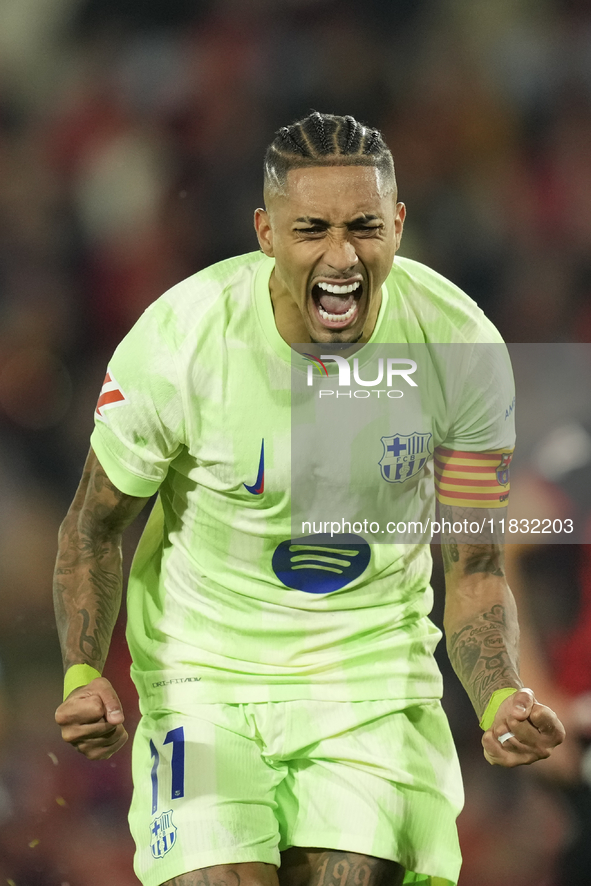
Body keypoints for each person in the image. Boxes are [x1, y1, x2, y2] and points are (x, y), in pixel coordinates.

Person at [53, 113, 565, 886]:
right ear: (265, 233)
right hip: (205, 675)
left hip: (367, 678)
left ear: (397, 224)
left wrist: (498, 698)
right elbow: (93, 527)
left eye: (363, 227)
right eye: (311, 229)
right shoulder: (179, 340)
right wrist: (81, 671)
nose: (340, 256)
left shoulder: (460, 351)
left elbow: (474, 567)